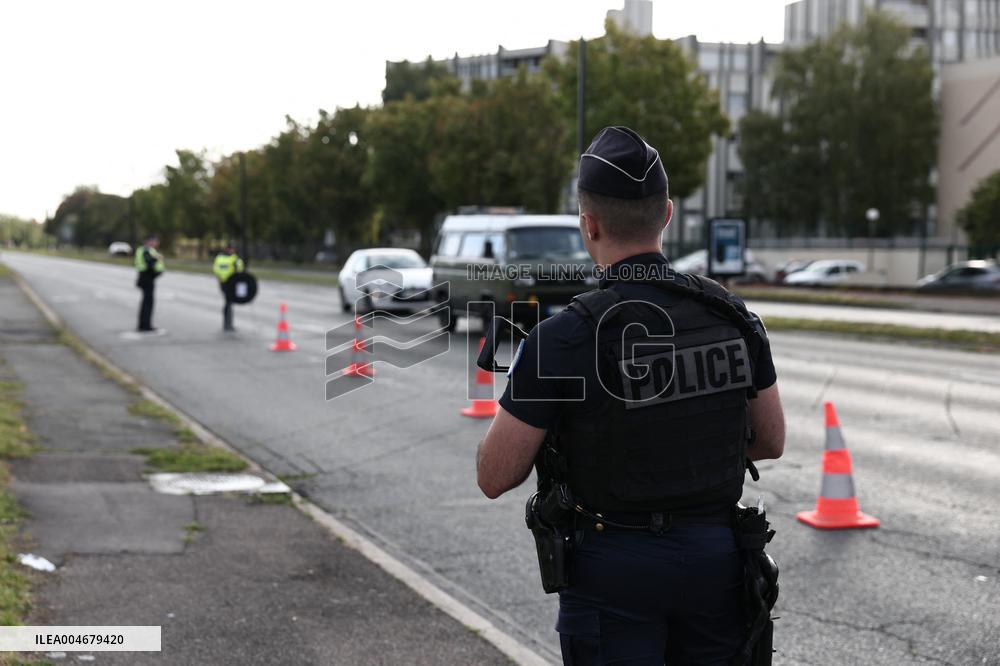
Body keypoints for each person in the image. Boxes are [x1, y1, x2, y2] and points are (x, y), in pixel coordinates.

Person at [476, 126, 785, 665]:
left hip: (611, 569)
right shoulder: (731, 315)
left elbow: (495, 475)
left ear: (588, 225)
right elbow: (770, 440)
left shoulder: (563, 337)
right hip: (716, 561)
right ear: (666, 214)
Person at [134, 235, 164, 332]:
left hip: (145, 278)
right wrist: (157, 258)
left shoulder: (143, 250)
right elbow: (149, 263)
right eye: (155, 241)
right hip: (147, 278)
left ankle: (143, 324)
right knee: (148, 303)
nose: (156, 243)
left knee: (146, 303)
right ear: (150, 241)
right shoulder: (147, 250)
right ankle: (146, 325)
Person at [213, 242, 245, 332]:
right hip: (231, 283)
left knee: (228, 302)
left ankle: (227, 324)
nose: (233, 250)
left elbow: (215, 269)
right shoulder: (234, 259)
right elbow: (240, 269)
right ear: (230, 249)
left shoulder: (219, 258)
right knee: (229, 302)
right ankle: (228, 325)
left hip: (222, 283)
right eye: (232, 249)